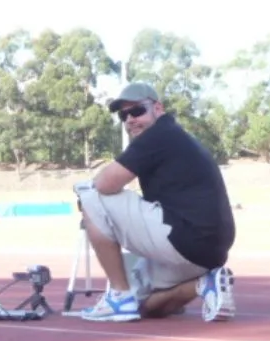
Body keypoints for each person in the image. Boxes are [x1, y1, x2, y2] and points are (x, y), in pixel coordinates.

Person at [73, 82, 236, 323]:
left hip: (184, 237)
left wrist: (88, 197)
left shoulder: (159, 134)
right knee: (144, 308)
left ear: (157, 108)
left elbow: (106, 184)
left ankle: (118, 295)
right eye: (123, 115)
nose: (130, 119)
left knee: (90, 195)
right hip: (209, 253)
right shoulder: (176, 137)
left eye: (137, 111)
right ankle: (203, 285)